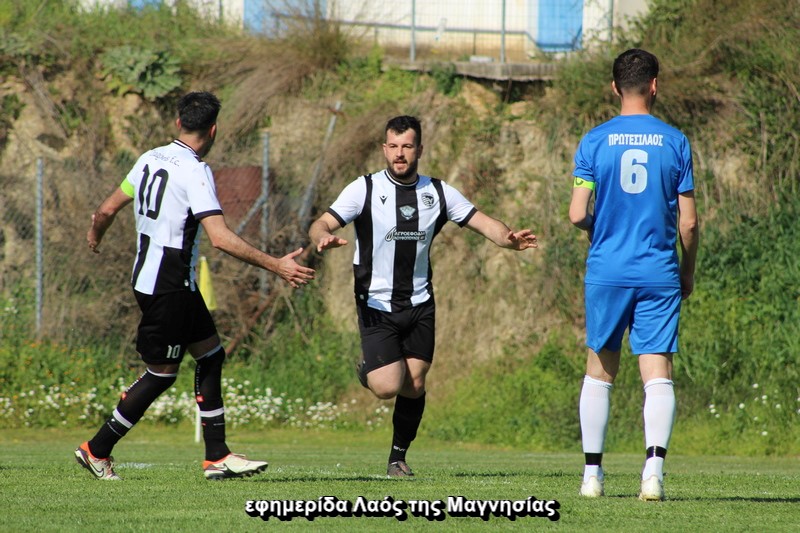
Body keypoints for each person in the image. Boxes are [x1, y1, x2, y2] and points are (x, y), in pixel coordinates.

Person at [76, 91, 315, 480]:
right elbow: (220, 238)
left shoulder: (149, 157)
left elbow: (105, 209)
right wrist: (277, 265)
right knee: (161, 374)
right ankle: (96, 449)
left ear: (178, 122)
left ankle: (217, 455)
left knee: (211, 355)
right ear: (214, 130)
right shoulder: (195, 170)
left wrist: (94, 236)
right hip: (169, 284)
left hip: (154, 279)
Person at [309, 115, 538, 477]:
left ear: (419, 149)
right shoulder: (364, 188)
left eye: (407, 146)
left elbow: (484, 222)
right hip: (376, 304)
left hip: (419, 303)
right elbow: (321, 222)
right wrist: (321, 236)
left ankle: (397, 458)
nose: (399, 154)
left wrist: (507, 239)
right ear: (385, 149)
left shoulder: (439, 192)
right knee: (388, 386)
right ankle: (370, 369)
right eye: (393, 146)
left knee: (414, 384)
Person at [569, 49, 699, 501]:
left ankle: (592, 476)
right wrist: (687, 271)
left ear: (614, 87)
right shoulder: (675, 142)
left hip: (607, 269)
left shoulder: (594, 141)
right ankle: (653, 474)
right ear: (654, 85)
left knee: (599, 371)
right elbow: (688, 223)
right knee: (657, 372)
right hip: (658, 271)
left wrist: (598, 226)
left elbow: (576, 213)